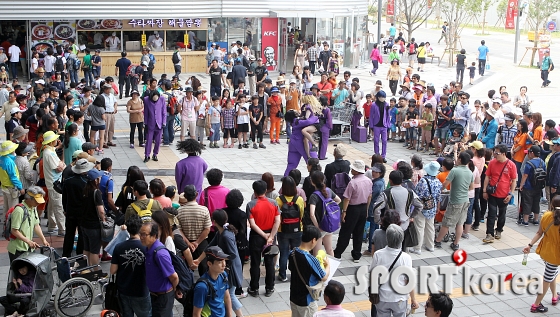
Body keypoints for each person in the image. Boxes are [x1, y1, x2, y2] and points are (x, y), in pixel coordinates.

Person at [194, 211, 244, 317]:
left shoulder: (225, 235)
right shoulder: (221, 232)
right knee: (228, 294)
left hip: (232, 270)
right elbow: (209, 247)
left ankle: (240, 315)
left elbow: (233, 254)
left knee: (230, 294)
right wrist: (198, 260)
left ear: (214, 222)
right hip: (228, 268)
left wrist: (222, 260)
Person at [370, 224, 419, 316]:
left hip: (382, 296)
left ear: (387, 238)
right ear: (401, 239)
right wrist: (413, 299)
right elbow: (409, 281)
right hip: (400, 297)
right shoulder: (406, 258)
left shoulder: (378, 255)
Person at [523, 195, 560, 313]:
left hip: (545, 250)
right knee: (548, 278)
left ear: (552, 205)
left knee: (551, 272)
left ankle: (555, 296)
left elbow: (539, 233)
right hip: (556, 255)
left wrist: (529, 245)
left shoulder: (546, 216)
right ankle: (536, 305)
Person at [109, 215, 151, 317]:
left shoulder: (119, 247)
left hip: (124, 290)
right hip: (142, 290)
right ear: (140, 228)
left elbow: (112, 270)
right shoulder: (146, 247)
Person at [246, 180, 281, 297]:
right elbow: (277, 221)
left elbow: (252, 224)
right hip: (270, 235)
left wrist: (263, 235)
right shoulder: (274, 203)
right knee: (269, 262)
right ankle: (269, 287)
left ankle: (254, 288)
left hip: (256, 236)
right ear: (266, 190)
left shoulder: (251, 204)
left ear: (254, 191)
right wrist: (270, 236)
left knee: (255, 263)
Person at [333, 160, 372, 262]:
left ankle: (338, 253)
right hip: (363, 208)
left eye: (353, 168)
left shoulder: (353, 182)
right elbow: (369, 196)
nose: (351, 170)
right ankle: (356, 254)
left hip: (352, 209)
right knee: (359, 232)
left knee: (346, 231)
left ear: (356, 170)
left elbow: (347, 199)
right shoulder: (368, 181)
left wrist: (344, 211)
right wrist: (367, 209)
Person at [434, 152, 473, 250]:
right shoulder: (469, 172)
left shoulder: (455, 170)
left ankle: (438, 241)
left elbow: (445, 183)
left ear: (459, 159)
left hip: (455, 201)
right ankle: (456, 243)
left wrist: (440, 189)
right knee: (460, 223)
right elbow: (471, 187)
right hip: (465, 201)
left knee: (447, 222)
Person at [139, 222, 180, 317]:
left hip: (163, 297)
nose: (141, 237)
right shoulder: (148, 249)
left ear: (154, 236)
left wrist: (172, 290)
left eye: (144, 235)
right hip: (154, 295)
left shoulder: (160, 254)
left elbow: (174, 277)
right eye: (140, 234)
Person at [289, 226, 329, 316]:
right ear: (313, 240)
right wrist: (328, 265)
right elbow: (324, 276)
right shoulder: (310, 259)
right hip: (307, 301)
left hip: (294, 298)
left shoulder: (292, 253)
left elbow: (291, 268)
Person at [6, 186, 48, 263]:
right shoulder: (19, 211)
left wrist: (43, 240)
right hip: (18, 249)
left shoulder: (33, 208)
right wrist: (28, 241)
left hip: (28, 247)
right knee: (19, 273)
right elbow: (14, 231)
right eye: (36, 201)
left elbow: (36, 225)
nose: (38, 203)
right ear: (28, 199)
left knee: (29, 273)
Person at [61, 158, 93, 257]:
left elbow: (64, 197)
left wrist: (65, 209)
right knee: (81, 235)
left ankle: (66, 255)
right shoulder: (86, 182)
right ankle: (80, 256)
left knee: (69, 234)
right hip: (82, 213)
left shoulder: (68, 181)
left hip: (70, 211)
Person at [176, 184, 211, 275]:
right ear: (196, 194)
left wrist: (188, 243)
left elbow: (179, 230)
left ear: (185, 196)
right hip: (202, 243)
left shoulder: (179, 211)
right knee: (204, 268)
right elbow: (207, 229)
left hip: (185, 245)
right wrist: (197, 242)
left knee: (186, 269)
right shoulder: (204, 210)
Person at [276, 176, 305, 282]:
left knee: (283, 252)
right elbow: (301, 215)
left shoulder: (279, 200)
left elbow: (277, 216)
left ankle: (282, 275)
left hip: (282, 230)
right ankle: (296, 273)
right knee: (296, 252)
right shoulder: (299, 199)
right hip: (297, 229)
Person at [411, 161, 442, 254]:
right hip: (432, 206)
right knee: (430, 226)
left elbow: (417, 194)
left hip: (422, 206)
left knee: (420, 226)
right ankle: (430, 245)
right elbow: (438, 197)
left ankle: (417, 248)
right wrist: (437, 207)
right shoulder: (438, 182)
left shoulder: (423, 181)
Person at [192, 246, 233, 317]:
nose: (224, 264)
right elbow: (196, 314)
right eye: (220, 262)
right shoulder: (202, 287)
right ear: (209, 264)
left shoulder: (223, 275)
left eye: (224, 260)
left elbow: (227, 297)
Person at [42, 131, 66, 235]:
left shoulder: (49, 151)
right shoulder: (49, 153)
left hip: (52, 183)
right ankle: (62, 229)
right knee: (58, 207)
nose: (57, 140)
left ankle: (52, 225)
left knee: (52, 205)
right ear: (52, 141)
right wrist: (62, 164)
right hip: (54, 184)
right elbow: (59, 168)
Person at [519, 145, 546, 226]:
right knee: (536, 202)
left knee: (527, 202)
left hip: (528, 186)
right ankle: (536, 219)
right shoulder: (542, 162)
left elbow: (525, 175)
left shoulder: (529, 163)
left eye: (529, 153)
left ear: (532, 153)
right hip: (538, 186)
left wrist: (521, 185)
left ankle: (525, 220)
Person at [0, 140, 25, 215]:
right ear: (10, 150)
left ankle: (5, 223)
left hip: (4, 186)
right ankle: (11, 225)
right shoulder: (10, 162)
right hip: (11, 188)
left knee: (6, 207)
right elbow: (13, 177)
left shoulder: (1, 159)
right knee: (13, 210)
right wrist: (20, 188)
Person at [143, 90, 166, 163]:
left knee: (158, 141)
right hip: (150, 123)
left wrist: (164, 122)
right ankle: (147, 155)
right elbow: (146, 112)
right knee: (149, 140)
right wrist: (145, 123)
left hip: (159, 123)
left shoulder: (162, 99)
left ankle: (155, 154)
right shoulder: (146, 100)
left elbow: (164, 112)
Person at [369, 91, 390, 162]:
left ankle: (383, 156)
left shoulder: (386, 104)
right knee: (376, 141)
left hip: (384, 126)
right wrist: (371, 125)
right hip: (376, 125)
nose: (382, 98)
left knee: (384, 141)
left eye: (384, 97)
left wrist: (388, 125)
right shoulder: (374, 105)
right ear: (378, 97)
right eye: (381, 97)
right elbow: (371, 116)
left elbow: (388, 116)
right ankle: (377, 155)